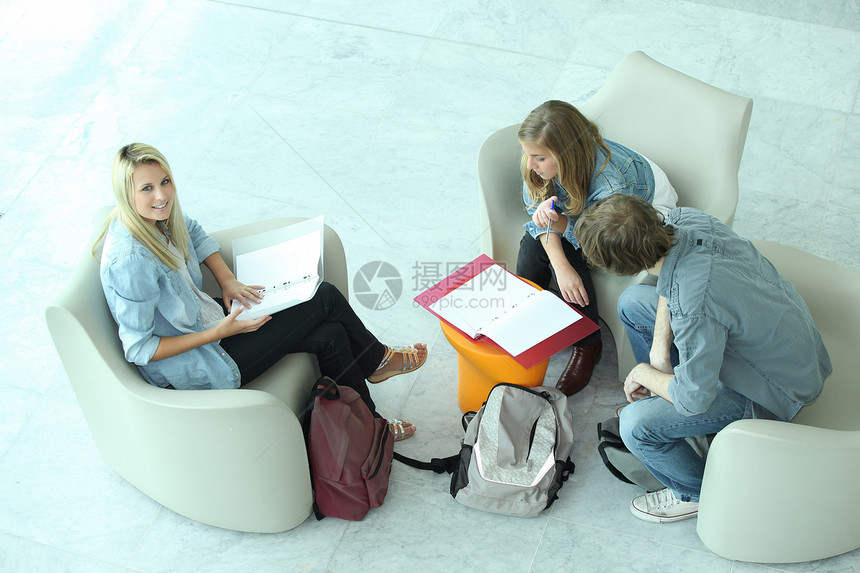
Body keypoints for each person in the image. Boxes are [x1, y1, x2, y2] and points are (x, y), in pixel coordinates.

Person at [94, 143, 426, 441]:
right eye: (147, 188)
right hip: (200, 365)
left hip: (213, 324)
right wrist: (218, 332)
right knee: (324, 296)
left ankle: (370, 426)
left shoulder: (157, 218)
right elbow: (140, 349)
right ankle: (377, 359)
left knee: (333, 334)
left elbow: (191, 230)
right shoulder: (130, 261)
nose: (161, 196)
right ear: (127, 194)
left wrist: (226, 279)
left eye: (165, 181)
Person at [575, 194, 831, 523]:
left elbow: (693, 398)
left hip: (774, 391)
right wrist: (658, 350)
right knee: (633, 303)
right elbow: (672, 281)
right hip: (789, 348)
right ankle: (668, 410)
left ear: (621, 265)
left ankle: (693, 492)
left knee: (635, 426)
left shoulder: (694, 304)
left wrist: (645, 372)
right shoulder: (684, 220)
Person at [516, 100, 678, 396]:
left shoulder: (612, 187)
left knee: (568, 249)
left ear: (564, 155)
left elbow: (599, 237)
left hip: (631, 217)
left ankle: (588, 344)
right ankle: (527, 316)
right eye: (528, 155)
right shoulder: (538, 163)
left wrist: (561, 231)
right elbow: (537, 212)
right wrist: (561, 268)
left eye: (538, 158)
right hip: (589, 207)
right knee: (536, 245)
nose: (529, 165)